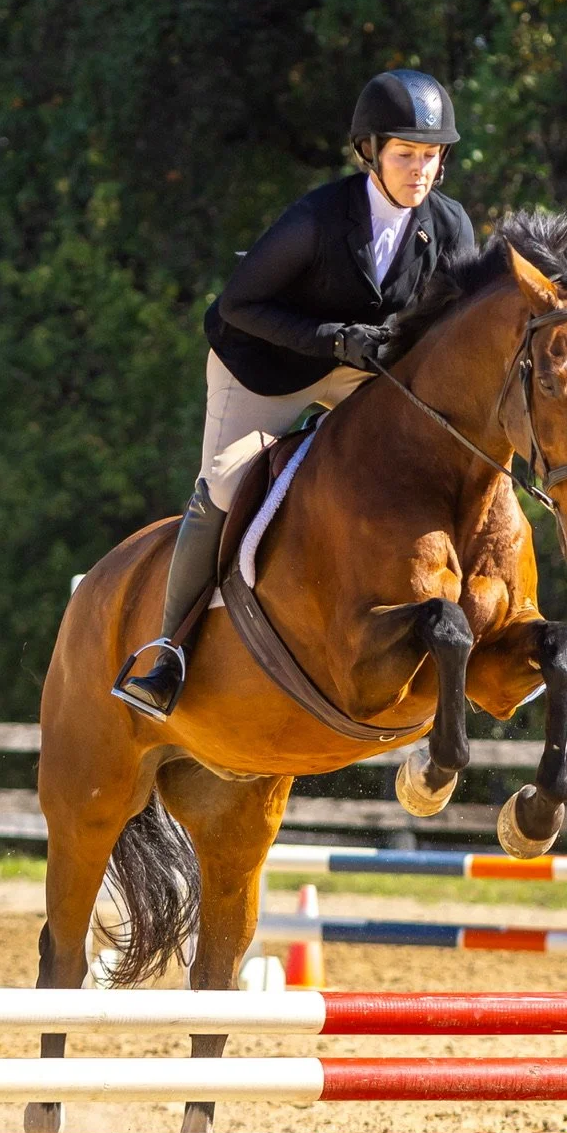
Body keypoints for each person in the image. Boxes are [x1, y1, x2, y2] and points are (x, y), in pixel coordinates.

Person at [112, 69, 478, 718]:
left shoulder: (448, 226)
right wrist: (335, 339)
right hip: (265, 364)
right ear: (369, 151)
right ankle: (169, 651)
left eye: (431, 155)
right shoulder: (316, 218)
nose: (420, 170)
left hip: (363, 369)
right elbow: (240, 304)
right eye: (405, 154)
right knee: (227, 483)